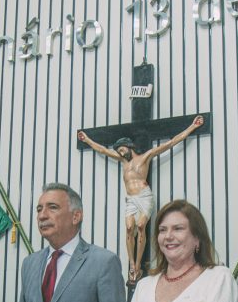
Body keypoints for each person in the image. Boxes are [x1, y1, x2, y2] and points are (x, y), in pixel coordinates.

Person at [78, 115, 204, 284]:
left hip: (144, 196)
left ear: (130, 147)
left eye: (122, 149)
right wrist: (86, 139)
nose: (120, 152)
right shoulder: (123, 162)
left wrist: (192, 127)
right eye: (118, 151)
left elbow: (171, 143)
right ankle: (132, 264)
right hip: (130, 198)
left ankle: (138, 265)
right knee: (129, 228)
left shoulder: (145, 157)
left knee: (140, 226)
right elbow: (102, 150)